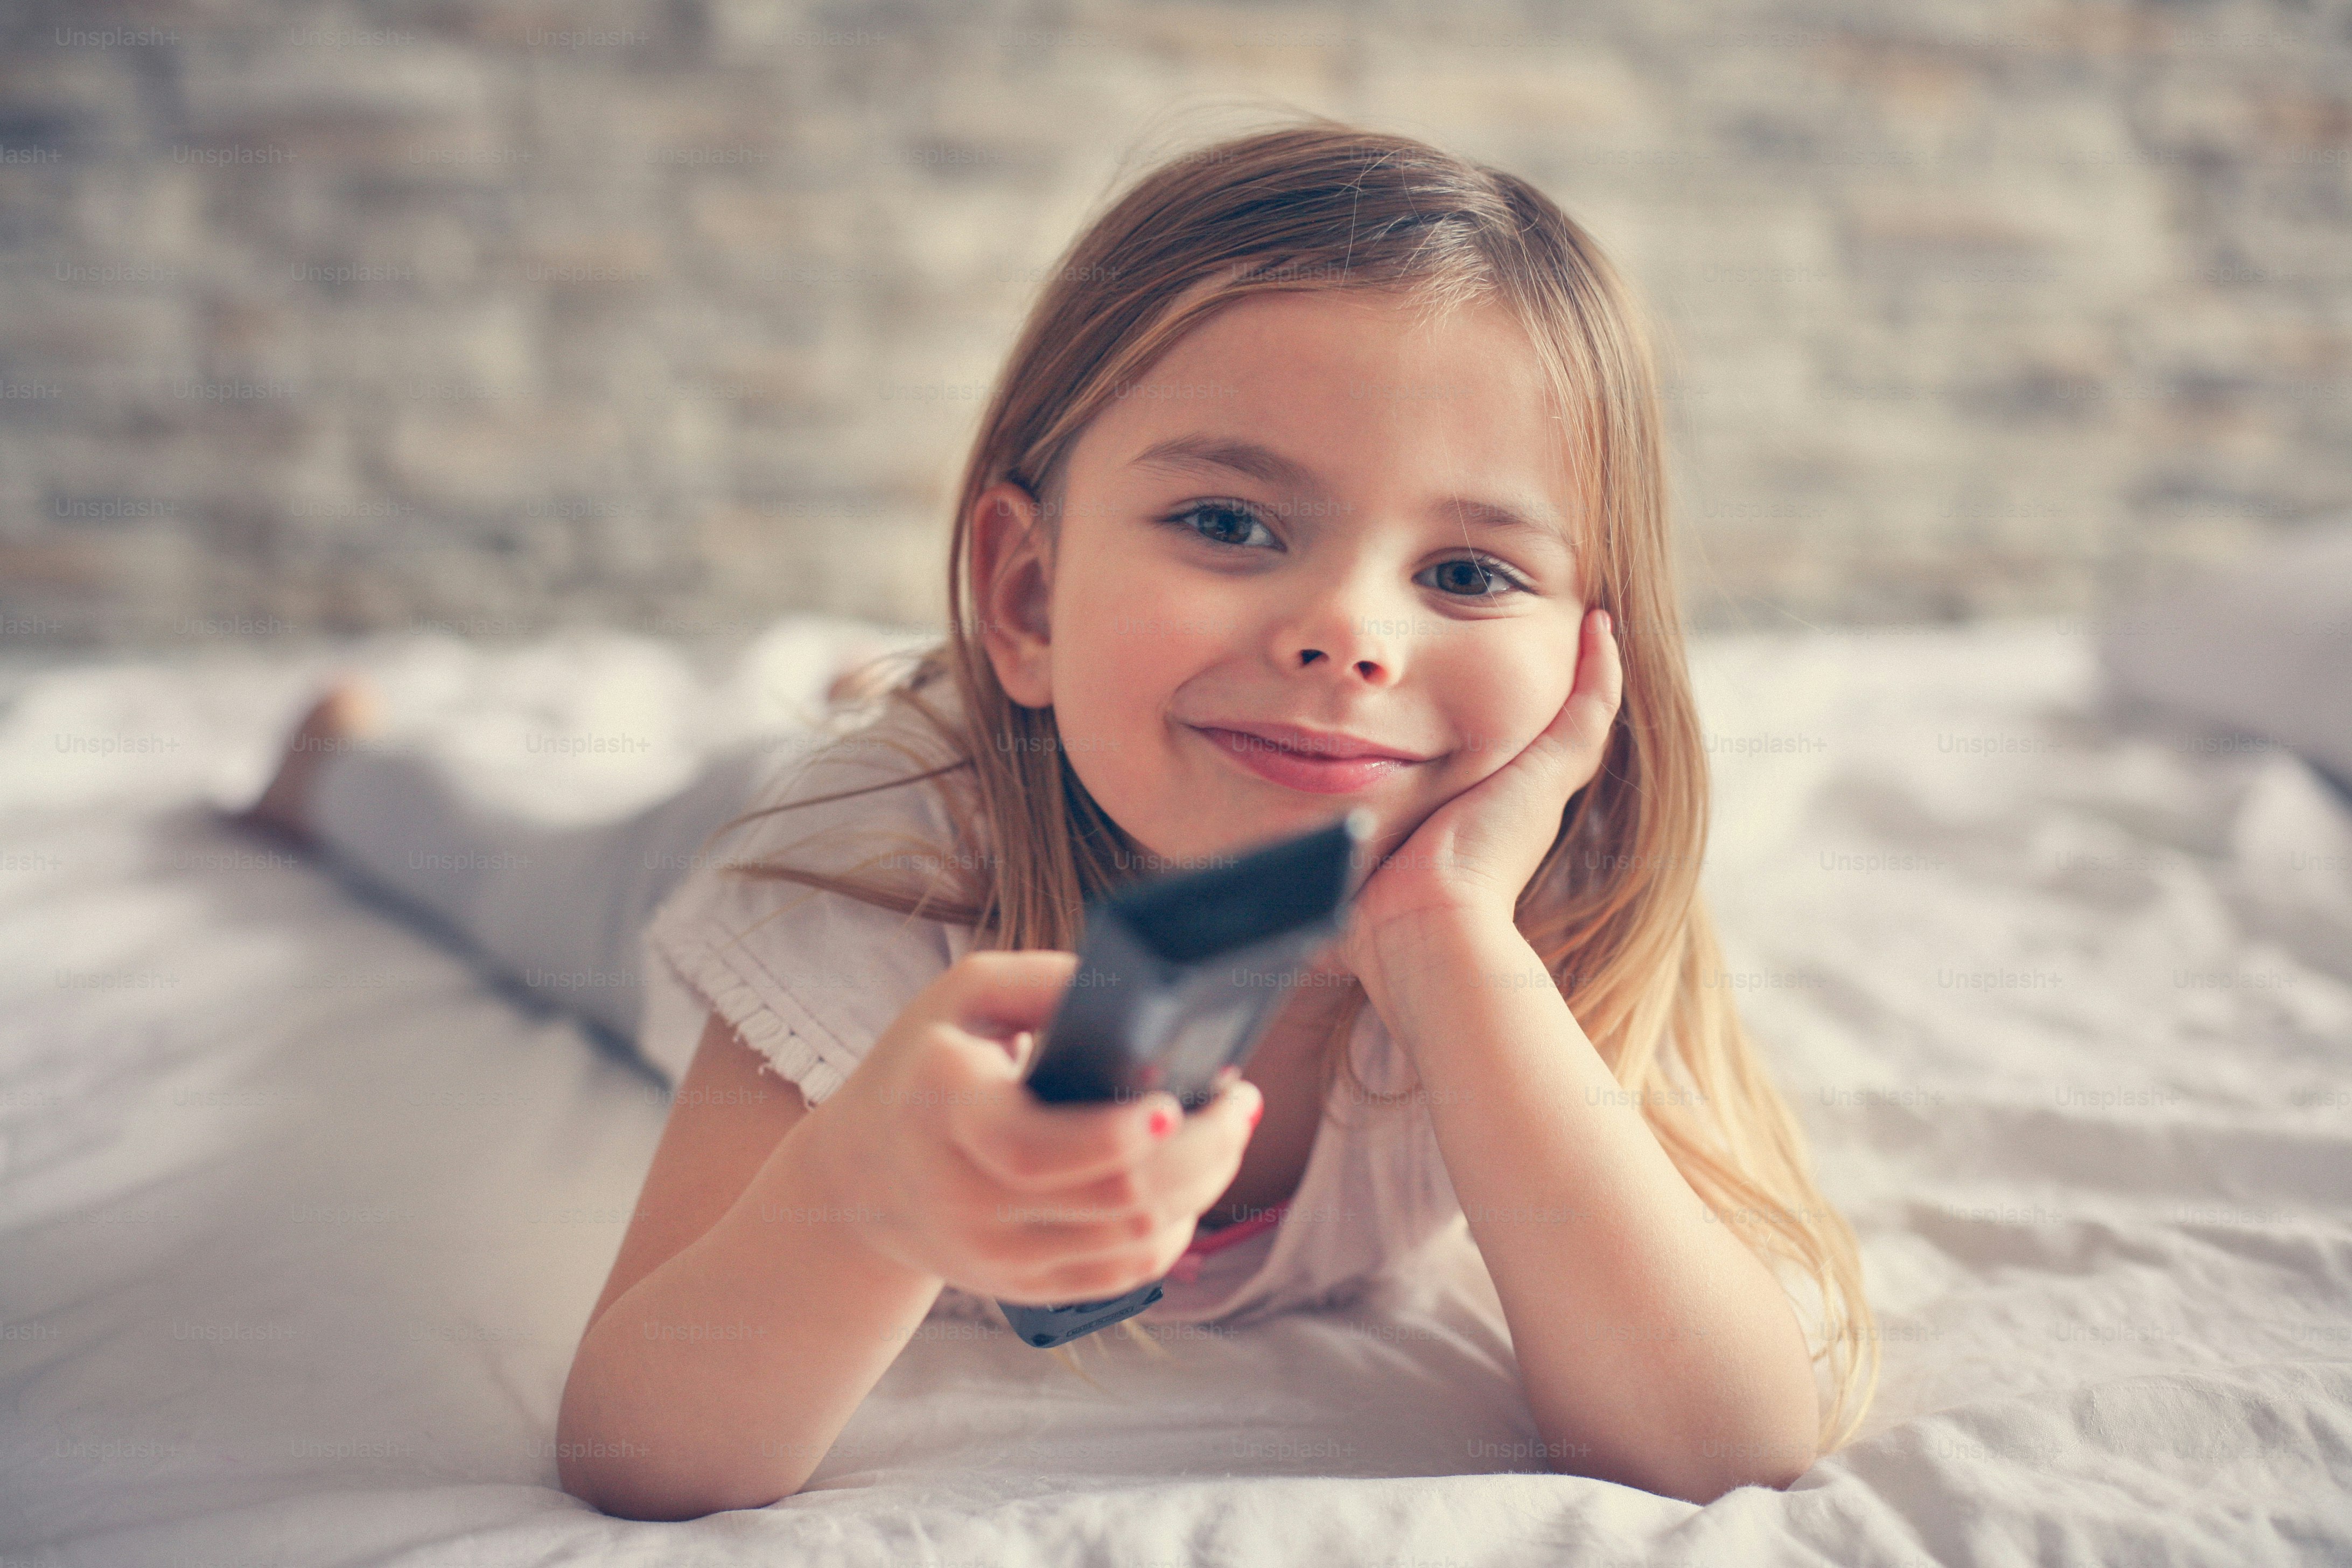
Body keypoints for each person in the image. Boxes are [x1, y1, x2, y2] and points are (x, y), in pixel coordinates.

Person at [240, 118, 1878, 1521]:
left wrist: (1452, 948)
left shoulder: (1551, 890)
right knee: (499, 867)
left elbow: (1718, 1438)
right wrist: (862, 1199)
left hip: (1048, 741)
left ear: (1595, 651)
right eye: (1231, 523)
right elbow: (643, 1451)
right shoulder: (877, 865)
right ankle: (343, 768)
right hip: (740, 839)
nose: (1351, 637)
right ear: (1026, 592)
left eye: (1467, 573)